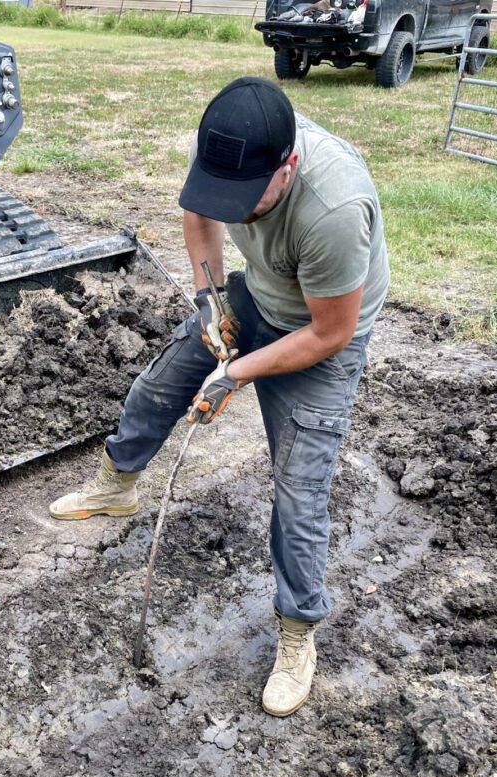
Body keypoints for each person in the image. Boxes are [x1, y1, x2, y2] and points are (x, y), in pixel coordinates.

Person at [50, 76, 390, 717]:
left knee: (299, 492)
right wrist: (210, 301)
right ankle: (115, 485)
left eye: (248, 199)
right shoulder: (229, 148)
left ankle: (297, 633)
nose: (232, 209)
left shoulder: (333, 209)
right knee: (159, 386)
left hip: (320, 337)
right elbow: (200, 213)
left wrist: (237, 373)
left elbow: (331, 331)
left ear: (286, 168)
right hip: (256, 296)